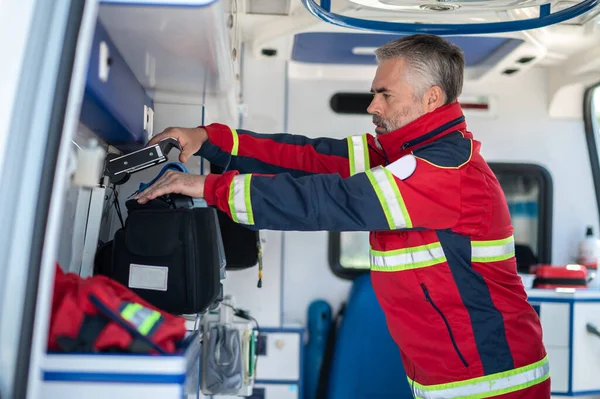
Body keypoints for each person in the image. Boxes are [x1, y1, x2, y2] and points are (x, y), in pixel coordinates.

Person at [135, 34, 550, 398]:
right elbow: (309, 158)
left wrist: (207, 188)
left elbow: (327, 201)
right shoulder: (401, 157)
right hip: (454, 383)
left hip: (496, 387)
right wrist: (211, 140)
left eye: (385, 94)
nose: (373, 105)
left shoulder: (444, 171)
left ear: (432, 98)